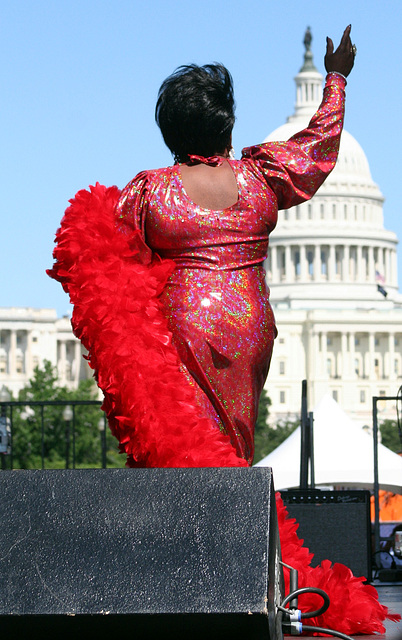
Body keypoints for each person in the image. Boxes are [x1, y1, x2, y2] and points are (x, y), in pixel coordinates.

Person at [48, 27, 401, 633]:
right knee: (231, 452)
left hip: (181, 328)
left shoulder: (149, 191)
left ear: (170, 133)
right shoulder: (260, 177)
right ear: (229, 128)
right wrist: (337, 80)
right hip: (248, 330)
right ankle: (241, 582)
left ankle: (190, 580)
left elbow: (105, 254)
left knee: (183, 452)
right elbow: (318, 147)